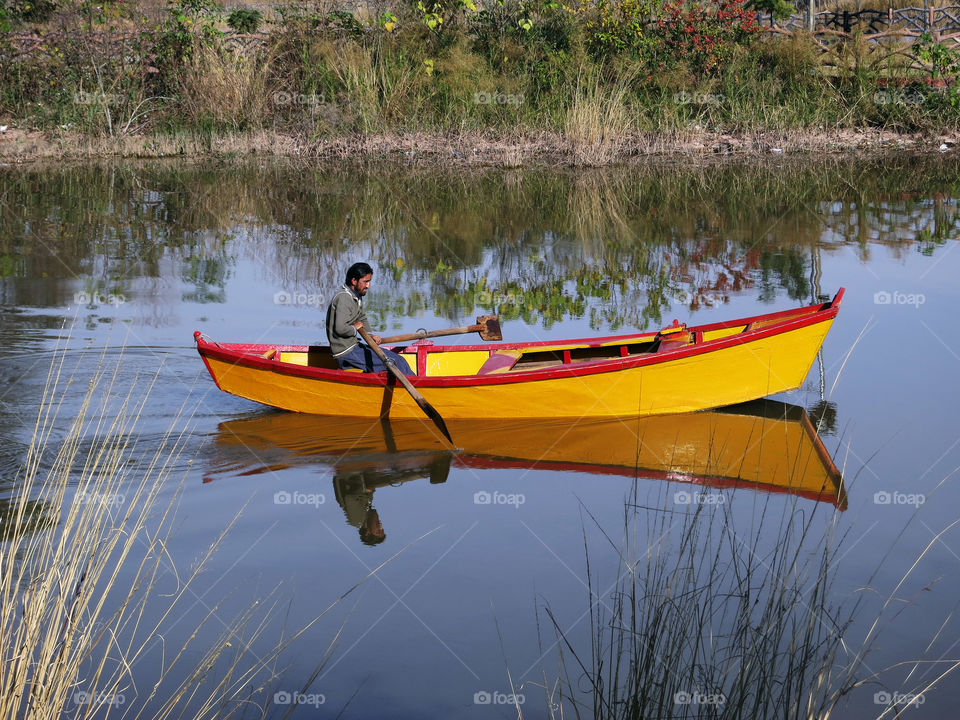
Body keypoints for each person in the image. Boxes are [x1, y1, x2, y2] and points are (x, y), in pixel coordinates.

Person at [326, 262, 413, 374]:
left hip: (354, 347)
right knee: (394, 361)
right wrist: (355, 328)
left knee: (399, 360)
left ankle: (418, 384)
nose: (368, 286)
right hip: (346, 352)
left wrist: (370, 335)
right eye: (365, 282)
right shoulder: (344, 298)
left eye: (369, 281)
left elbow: (361, 317)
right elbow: (340, 329)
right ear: (354, 281)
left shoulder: (355, 296)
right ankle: (419, 386)